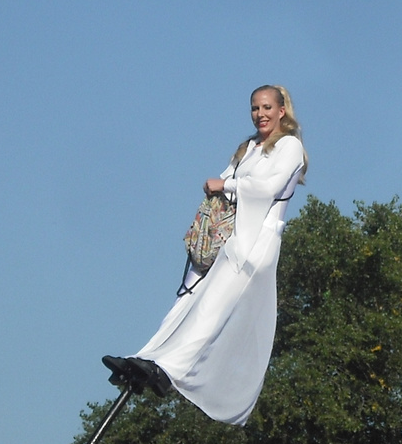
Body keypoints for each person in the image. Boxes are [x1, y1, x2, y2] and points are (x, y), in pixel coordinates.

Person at [104, 85, 307, 426]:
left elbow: (267, 188)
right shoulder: (248, 148)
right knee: (187, 295)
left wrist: (225, 186)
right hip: (229, 234)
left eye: (267, 107)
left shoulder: (290, 147)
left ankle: (169, 369)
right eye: (255, 108)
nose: (261, 114)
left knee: (211, 307)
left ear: (282, 110)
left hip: (255, 241)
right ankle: (145, 357)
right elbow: (225, 181)